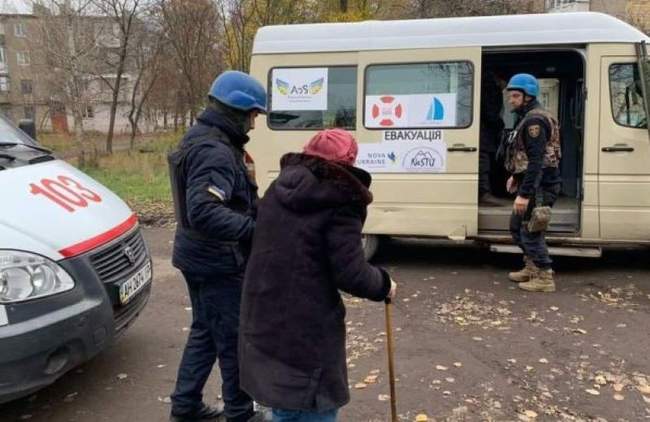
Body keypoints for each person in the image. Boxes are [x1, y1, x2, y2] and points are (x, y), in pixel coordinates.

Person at [238, 129, 397, 422]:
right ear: (349, 162)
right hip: (306, 327)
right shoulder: (341, 200)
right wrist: (384, 284)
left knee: (284, 404)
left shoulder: (278, 187)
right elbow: (352, 273)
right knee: (312, 406)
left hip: (264, 315)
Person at [168, 70, 266, 422]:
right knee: (232, 338)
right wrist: (256, 230)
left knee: (206, 331)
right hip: (216, 261)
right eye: (253, 115)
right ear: (236, 111)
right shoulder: (215, 150)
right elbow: (205, 212)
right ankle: (241, 413)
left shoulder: (200, 138)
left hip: (196, 256)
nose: (254, 124)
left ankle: (186, 405)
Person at [504, 73, 562, 293]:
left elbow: (537, 161)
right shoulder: (528, 116)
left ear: (528, 96)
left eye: (516, 95)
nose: (511, 100)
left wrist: (524, 193)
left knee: (530, 231)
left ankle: (544, 277)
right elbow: (527, 156)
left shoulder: (534, 121)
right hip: (533, 183)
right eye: (510, 95)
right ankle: (531, 267)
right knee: (516, 227)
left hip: (540, 186)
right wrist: (516, 177)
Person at [479, 71, 506, 206]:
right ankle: (484, 193)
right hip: (484, 132)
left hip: (486, 132)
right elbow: (490, 113)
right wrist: (499, 123)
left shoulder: (490, 87)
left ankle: (487, 192)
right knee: (483, 162)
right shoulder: (490, 89)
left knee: (487, 162)